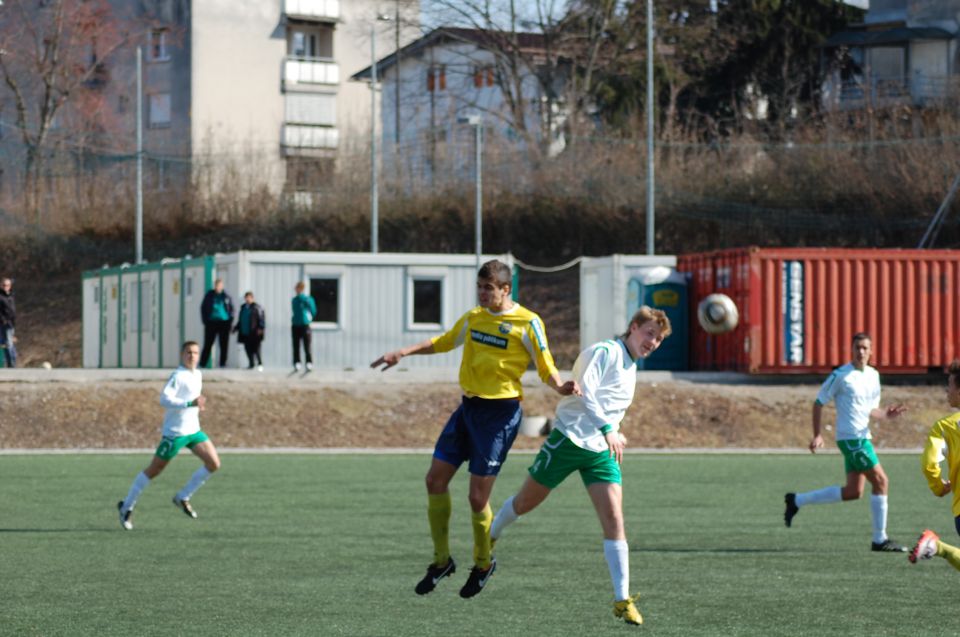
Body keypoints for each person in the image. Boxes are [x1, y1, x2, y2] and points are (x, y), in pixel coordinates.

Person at [370, 259, 579, 599]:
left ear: (505, 290)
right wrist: (402, 352)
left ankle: (483, 563)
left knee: (476, 497)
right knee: (433, 480)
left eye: (488, 288)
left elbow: (546, 365)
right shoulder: (473, 318)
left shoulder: (527, 323)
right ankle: (441, 561)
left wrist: (559, 385)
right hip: (467, 410)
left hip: (499, 416)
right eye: (479, 287)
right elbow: (444, 341)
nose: (482, 294)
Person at [489, 306, 671, 626]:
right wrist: (608, 429)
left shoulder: (631, 365)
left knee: (614, 519)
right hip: (568, 440)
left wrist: (614, 430)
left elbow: (607, 405)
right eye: (649, 334)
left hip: (600, 451)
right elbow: (585, 393)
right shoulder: (604, 352)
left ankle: (621, 599)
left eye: (658, 339)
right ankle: (489, 536)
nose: (653, 342)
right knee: (524, 503)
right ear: (633, 328)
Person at [784, 332, 908, 552]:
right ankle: (880, 540)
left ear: (871, 351)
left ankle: (796, 500)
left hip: (862, 437)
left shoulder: (873, 375)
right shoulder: (841, 375)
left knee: (853, 492)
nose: (861, 352)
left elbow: (872, 410)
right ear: (851, 349)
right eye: (857, 347)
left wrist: (886, 415)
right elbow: (818, 402)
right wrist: (817, 435)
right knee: (881, 481)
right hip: (852, 440)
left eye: (865, 348)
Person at [117, 341, 222, 530]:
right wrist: (190, 403)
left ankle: (183, 496)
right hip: (175, 433)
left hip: (193, 431)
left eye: (196, 353)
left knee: (214, 463)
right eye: (189, 352)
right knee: (154, 470)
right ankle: (126, 506)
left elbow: (192, 399)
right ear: (182, 354)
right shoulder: (178, 375)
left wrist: (198, 404)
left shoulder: (197, 374)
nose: (192, 356)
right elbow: (164, 399)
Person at [909, 360, 960, 569]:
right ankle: (937, 547)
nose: (946, 390)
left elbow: (929, 464)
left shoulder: (945, 427)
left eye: (949, 385)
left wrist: (939, 487)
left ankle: (937, 547)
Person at [200, 278, 234, 368]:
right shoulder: (209, 295)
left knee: (224, 344)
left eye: (220, 285)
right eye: (216, 285)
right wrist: (205, 320)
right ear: (214, 286)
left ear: (222, 286)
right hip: (211, 322)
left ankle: (223, 363)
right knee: (208, 343)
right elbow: (203, 308)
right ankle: (202, 363)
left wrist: (230, 321)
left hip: (224, 322)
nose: (218, 287)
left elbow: (231, 310)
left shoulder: (226, 296)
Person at [234, 291, 265, 371]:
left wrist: (261, 328)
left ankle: (260, 363)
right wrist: (236, 328)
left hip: (254, 333)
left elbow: (261, 319)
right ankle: (251, 364)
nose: (247, 299)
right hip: (245, 332)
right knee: (248, 349)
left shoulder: (257, 307)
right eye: (246, 298)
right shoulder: (243, 307)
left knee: (256, 349)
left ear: (252, 298)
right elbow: (240, 320)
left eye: (249, 298)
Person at [291, 281, 316, 372]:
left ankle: (309, 362)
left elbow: (313, 310)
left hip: (305, 324)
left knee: (307, 345)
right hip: (295, 324)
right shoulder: (294, 300)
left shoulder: (307, 299)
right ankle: (297, 362)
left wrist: (309, 318)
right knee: (296, 345)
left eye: (297, 289)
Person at [0, 277, 15, 368]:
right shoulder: (1, 297)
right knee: (8, 343)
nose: (6, 287)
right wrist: (3, 321)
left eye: (7, 285)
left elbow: (12, 311)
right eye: (4, 285)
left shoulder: (10, 296)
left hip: (11, 324)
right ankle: (11, 363)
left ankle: (10, 362)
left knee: (8, 343)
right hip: (4, 323)